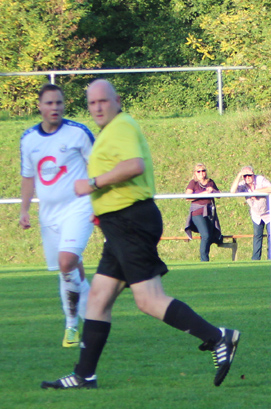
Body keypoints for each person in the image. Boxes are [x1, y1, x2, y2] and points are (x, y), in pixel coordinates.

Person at [41, 79, 240, 390]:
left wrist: (93, 184)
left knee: (148, 300)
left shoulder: (122, 126)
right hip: (119, 224)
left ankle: (218, 337)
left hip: (130, 222)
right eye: (91, 103)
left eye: (102, 101)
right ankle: (84, 375)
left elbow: (133, 166)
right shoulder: (111, 132)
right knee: (98, 299)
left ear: (117, 100)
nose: (97, 108)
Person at [19, 83, 93, 348]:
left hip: (79, 208)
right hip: (49, 216)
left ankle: (82, 323)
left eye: (59, 103)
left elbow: (98, 164)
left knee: (66, 262)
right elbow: (28, 176)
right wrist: (24, 209)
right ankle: (84, 323)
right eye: (49, 103)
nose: (55, 108)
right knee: (71, 272)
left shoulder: (77, 133)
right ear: (39, 106)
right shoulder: (29, 139)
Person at [231, 166, 271, 260]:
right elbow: (232, 191)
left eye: (249, 175)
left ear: (253, 174)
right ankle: (255, 259)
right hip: (256, 214)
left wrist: (256, 191)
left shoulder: (260, 179)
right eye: (245, 176)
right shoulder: (243, 184)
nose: (247, 177)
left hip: (269, 212)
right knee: (257, 236)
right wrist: (239, 175)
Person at [184, 163, 223, 261]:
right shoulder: (193, 183)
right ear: (195, 173)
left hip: (210, 212)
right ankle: (204, 260)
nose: (201, 173)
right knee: (205, 235)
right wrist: (203, 193)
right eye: (199, 171)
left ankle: (207, 255)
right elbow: (187, 197)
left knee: (209, 235)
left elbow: (219, 195)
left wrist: (213, 190)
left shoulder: (210, 182)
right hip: (197, 212)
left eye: (203, 171)